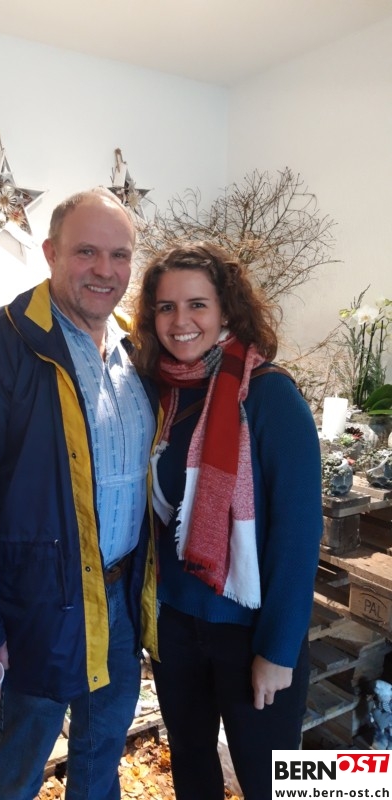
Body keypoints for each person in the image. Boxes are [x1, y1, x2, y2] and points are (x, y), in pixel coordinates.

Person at [0, 187, 159, 800]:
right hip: (36, 608)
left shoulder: (136, 349)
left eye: (119, 255)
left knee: (101, 758)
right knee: (17, 766)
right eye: (86, 252)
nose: (105, 270)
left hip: (119, 599)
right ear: (51, 252)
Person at [131, 242, 323, 800]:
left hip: (250, 632)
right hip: (176, 627)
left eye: (198, 304)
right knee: (192, 770)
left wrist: (278, 651)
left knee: (273, 783)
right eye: (166, 307)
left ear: (226, 311)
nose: (181, 321)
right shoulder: (160, 396)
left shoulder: (269, 395)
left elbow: (297, 534)